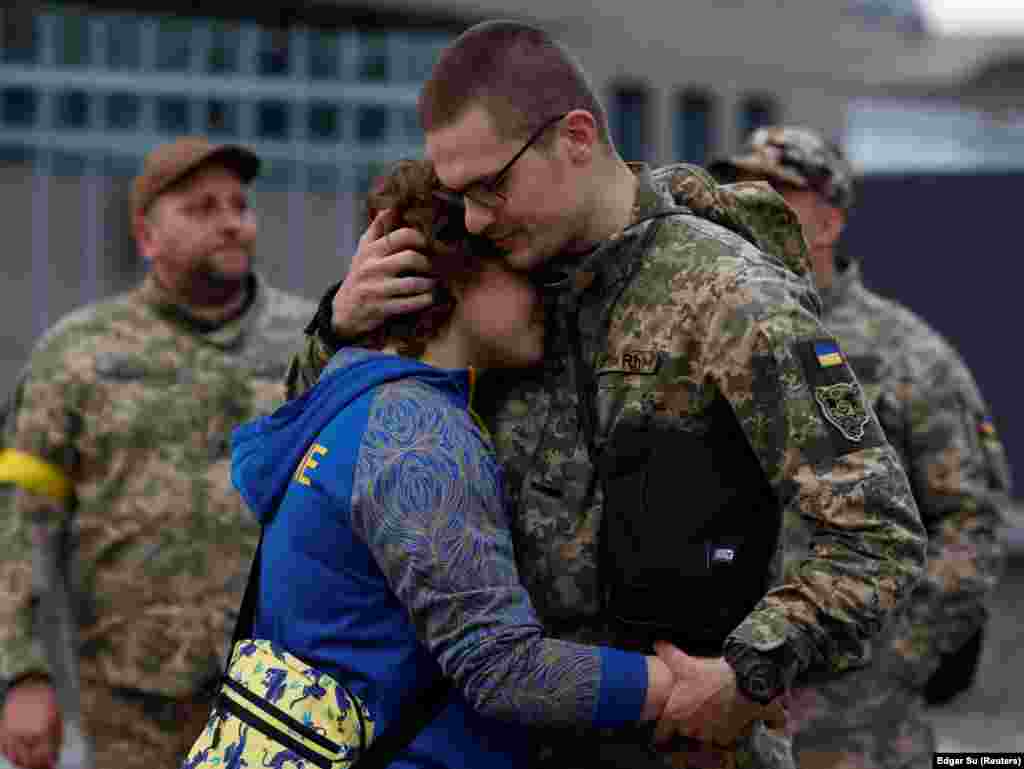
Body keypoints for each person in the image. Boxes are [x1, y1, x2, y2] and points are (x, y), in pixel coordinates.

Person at [286, 21, 927, 769]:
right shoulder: (495, 277)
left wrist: (746, 673)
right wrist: (337, 328)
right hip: (496, 745)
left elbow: (876, 529)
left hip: (683, 747)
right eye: (461, 197)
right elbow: (321, 451)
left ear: (577, 137)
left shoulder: (728, 293)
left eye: (491, 186)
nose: (478, 217)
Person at [196, 158, 785, 769]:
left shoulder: (348, 392)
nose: (550, 294)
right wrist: (698, 688)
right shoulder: (418, 431)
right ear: (453, 275)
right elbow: (500, 667)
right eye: (525, 268)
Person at [0, 136, 316, 769]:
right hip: (132, 703)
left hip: (280, 691)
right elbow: (21, 524)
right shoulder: (78, 354)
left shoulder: (308, 347)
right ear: (147, 238)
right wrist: (23, 674)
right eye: (201, 208)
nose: (230, 222)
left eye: (238, 205)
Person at [710, 125, 1012, 769]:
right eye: (738, 186)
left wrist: (894, 661)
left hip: (849, 727)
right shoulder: (710, 336)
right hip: (716, 700)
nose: (747, 202)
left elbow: (972, 522)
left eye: (777, 191)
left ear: (830, 221)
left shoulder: (906, 355)